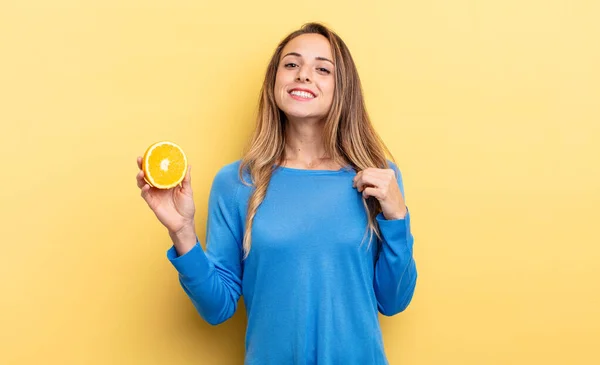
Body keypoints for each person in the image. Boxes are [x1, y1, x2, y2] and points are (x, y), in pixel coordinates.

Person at [136, 22, 417, 365]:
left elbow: (393, 301)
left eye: (322, 69)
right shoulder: (237, 182)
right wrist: (181, 232)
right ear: (274, 83)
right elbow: (217, 307)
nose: (304, 75)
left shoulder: (377, 178)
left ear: (343, 88)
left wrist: (397, 218)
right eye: (291, 64)